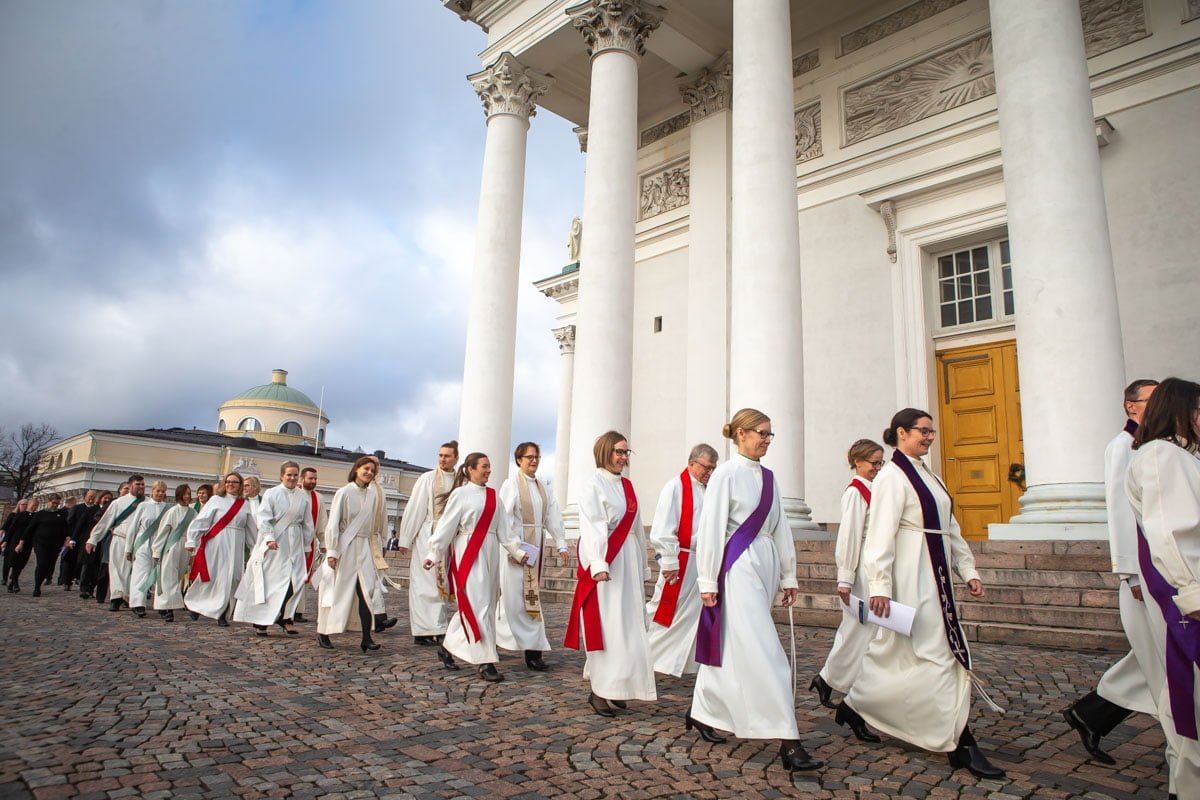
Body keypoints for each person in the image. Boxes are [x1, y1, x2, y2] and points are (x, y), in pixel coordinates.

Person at [841, 408, 1003, 779]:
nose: (929, 437)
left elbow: (950, 526)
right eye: (923, 431)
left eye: (932, 431)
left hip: (938, 575)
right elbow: (878, 536)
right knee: (937, 654)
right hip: (912, 578)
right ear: (901, 432)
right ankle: (961, 743)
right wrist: (879, 585)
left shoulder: (928, 474)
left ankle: (855, 705)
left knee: (901, 654)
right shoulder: (892, 477)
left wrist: (968, 570)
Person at [688, 410, 820, 771]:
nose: (766, 439)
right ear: (741, 434)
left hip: (765, 563)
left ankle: (703, 709)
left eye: (770, 435)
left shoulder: (770, 478)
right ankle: (788, 739)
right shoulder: (727, 474)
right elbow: (712, 527)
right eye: (761, 433)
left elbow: (780, 528)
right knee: (765, 649)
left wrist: (789, 575)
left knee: (736, 644)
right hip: (737, 566)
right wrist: (707, 581)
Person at [1065, 379, 1170, 767]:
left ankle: (1091, 714)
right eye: (1153, 399)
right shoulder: (1123, 447)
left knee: (1153, 656)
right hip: (1143, 572)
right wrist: (1130, 571)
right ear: (1132, 407)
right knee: (1156, 656)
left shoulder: (1161, 445)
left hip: (1165, 567)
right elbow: (1121, 510)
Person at [1125, 376, 1200, 800]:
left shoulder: (1180, 456)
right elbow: (1171, 534)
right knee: (1188, 698)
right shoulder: (1161, 456)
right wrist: (1193, 598)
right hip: (1183, 598)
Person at [565, 431, 656, 716]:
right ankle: (599, 691)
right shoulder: (593, 485)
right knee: (610, 626)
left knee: (630, 626)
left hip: (627, 559)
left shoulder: (627, 486)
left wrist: (643, 566)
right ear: (605, 452)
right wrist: (599, 564)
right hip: (606, 562)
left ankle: (620, 686)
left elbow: (636, 530)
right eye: (619, 451)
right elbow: (592, 525)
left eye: (627, 452)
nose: (624, 457)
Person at [426, 452, 524, 681]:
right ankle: (485, 662)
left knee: (485, 606)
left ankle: (448, 648)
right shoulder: (460, 495)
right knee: (477, 605)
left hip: (490, 553)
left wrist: (517, 552)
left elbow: (504, 531)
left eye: (489, 466)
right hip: (468, 552)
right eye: (484, 466)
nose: (489, 470)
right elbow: (447, 526)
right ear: (470, 469)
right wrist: (434, 552)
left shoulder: (493, 496)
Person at [811, 439, 886, 725]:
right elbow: (849, 536)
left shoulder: (873, 488)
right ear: (857, 462)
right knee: (857, 628)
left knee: (865, 630)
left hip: (874, 565)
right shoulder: (856, 492)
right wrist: (845, 577)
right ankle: (830, 679)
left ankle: (835, 680)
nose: (878, 468)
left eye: (881, 463)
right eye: (873, 463)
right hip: (862, 570)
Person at [645, 444, 718, 678]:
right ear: (691, 463)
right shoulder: (675, 487)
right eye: (706, 468)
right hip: (682, 559)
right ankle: (643, 656)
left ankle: (686, 663)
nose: (709, 473)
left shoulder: (711, 490)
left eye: (713, 469)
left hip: (705, 562)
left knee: (696, 614)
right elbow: (662, 527)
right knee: (665, 611)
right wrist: (668, 561)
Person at [497, 442, 569, 671]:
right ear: (519, 460)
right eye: (529, 457)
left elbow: (552, 516)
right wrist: (514, 549)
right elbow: (503, 519)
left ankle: (533, 650)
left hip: (535, 548)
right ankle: (498, 637)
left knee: (529, 597)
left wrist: (561, 544)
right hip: (517, 548)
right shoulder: (511, 485)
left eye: (537, 456)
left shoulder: (542, 487)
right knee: (513, 598)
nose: (534, 461)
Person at [316, 456, 386, 652]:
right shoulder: (344, 492)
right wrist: (332, 550)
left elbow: (375, 524)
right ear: (356, 469)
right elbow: (334, 523)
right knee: (336, 590)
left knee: (366, 592)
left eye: (372, 470)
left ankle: (366, 637)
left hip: (364, 547)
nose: (369, 473)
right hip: (345, 547)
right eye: (366, 469)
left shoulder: (373, 496)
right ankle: (324, 632)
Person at [235, 462, 313, 635]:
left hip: (296, 541)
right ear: (281, 476)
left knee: (296, 581)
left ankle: (286, 618)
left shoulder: (303, 496)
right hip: (277, 542)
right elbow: (263, 518)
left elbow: (308, 522)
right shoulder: (272, 493)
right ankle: (262, 622)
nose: (292, 478)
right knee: (273, 582)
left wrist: (307, 544)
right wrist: (269, 538)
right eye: (289, 475)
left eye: (295, 475)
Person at [397, 441, 458, 646]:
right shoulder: (428, 478)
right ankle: (422, 630)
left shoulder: (461, 481)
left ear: (456, 458)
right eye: (440, 455)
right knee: (424, 584)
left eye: (447, 456)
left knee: (442, 584)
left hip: (450, 538)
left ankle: (439, 627)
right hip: (427, 534)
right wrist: (405, 538)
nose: (442, 459)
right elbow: (416, 508)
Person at [185, 472, 257, 627]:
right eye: (228, 481)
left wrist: (255, 548)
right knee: (214, 576)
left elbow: (251, 529)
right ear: (225, 483)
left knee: (233, 578)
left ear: (239, 486)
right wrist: (192, 539)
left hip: (236, 544)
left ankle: (222, 610)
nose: (231, 484)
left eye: (235, 482)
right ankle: (199, 607)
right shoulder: (216, 500)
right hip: (217, 543)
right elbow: (201, 520)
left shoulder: (245, 504)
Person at [85, 476, 146, 611]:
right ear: (130, 486)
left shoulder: (146, 503)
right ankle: (116, 598)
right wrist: (93, 539)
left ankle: (133, 599)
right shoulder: (118, 502)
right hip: (120, 538)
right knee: (117, 569)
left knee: (135, 571)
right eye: (138, 484)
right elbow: (105, 522)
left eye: (142, 484)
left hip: (139, 541)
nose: (141, 487)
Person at [149, 484, 195, 622]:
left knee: (178, 576)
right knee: (168, 577)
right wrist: (157, 550)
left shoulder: (193, 513)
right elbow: (163, 532)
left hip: (186, 546)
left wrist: (195, 550)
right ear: (179, 495)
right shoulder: (172, 511)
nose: (187, 496)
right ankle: (167, 609)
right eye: (185, 494)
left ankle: (165, 605)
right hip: (172, 545)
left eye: (189, 493)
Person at [124, 481, 171, 618]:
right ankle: (138, 603)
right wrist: (129, 548)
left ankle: (161, 604)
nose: (160, 494)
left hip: (160, 543)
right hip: (143, 542)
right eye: (158, 491)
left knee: (159, 573)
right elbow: (133, 527)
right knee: (141, 572)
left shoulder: (168, 508)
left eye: (163, 491)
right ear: (152, 491)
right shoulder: (143, 506)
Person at [293, 468, 324, 623]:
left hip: (308, 543)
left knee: (304, 575)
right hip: (291, 540)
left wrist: (323, 541)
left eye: (315, 479)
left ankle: (298, 610)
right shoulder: (293, 494)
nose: (313, 481)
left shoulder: (318, 498)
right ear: (302, 479)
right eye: (310, 478)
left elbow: (322, 522)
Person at [27, 495, 69, 597]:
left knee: (50, 564)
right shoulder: (40, 514)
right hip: (40, 542)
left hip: (55, 543)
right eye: (53, 503)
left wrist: (67, 538)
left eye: (57, 503)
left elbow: (65, 528)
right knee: (41, 563)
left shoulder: (61, 514)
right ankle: (37, 587)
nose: (55, 505)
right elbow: (30, 528)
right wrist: (22, 541)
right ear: (48, 502)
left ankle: (47, 576)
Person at [78, 491, 114, 601]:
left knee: (98, 567)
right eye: (105, 498)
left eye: (109, 498)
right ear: (100, 498)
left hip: (105, 542)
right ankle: (84, 588)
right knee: (88, 565)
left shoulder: (112, 509)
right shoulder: (92, 510)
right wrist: (73, 539)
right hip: (92, 541)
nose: (107, 500)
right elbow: (80, 525)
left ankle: (92, 589)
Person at [60, 490, 98, 591]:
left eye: (93, 497)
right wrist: (70, 538)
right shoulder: (77, 508)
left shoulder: (96, 509)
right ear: (85, 497)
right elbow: (70, 523)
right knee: (71, 561)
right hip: (76, 539)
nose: (91, 499)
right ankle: (67, 581)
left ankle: (82, 582)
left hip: (88, 539)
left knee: (85, 562)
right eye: (89, 497)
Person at [2, 500, 33, 592]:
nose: (25, 506)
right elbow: (7, 527)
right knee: (10, 560)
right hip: (12, 540)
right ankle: (5, 578)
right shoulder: (14, 515)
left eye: (26, 504)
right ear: (19, 505)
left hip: (25, 541)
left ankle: (13, 581)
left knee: (19, 562)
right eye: (23, 504)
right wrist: (5, 540)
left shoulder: (31, 516)